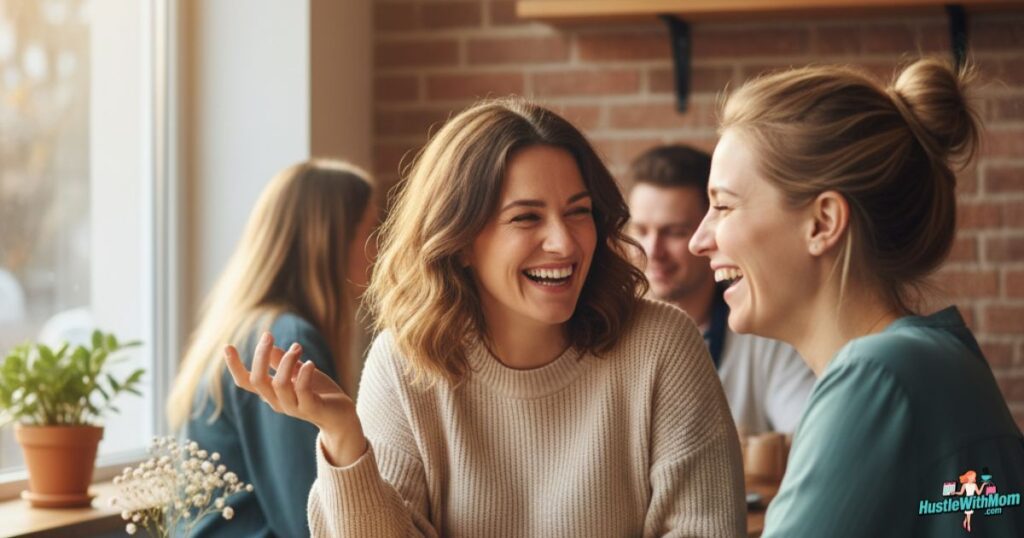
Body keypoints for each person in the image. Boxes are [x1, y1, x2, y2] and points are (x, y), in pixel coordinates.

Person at [225, 99, 746, 536]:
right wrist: (344, 439)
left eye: (578, 211)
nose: (564, 242)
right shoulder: (404, 364)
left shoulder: (661, 344)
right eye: (526, 217)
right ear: (463, 240)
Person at [689, 58, 1024, 536]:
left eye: (723, 205)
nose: (698, 240)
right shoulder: (932, 359)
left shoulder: (877, 378)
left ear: (823, 223)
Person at [166, 159, 376, 537]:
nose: (379, 248)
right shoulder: (286, 340)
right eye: (370, 231)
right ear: (330, 240)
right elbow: (309, 521)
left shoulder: (249, 326)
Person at [627, 145, 815, 435]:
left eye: (674, 232)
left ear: (710, 231)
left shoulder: (766, 334)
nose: (653, 251)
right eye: (641, 231)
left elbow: (807, 440)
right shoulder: (606, 333)